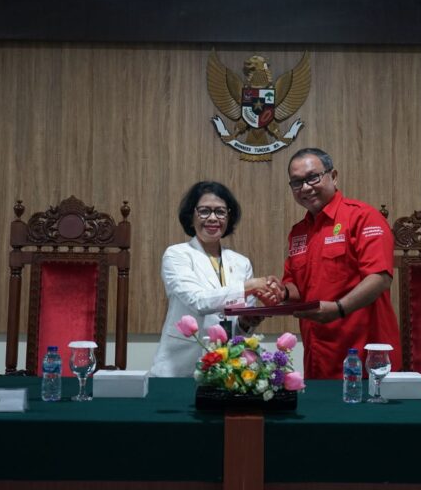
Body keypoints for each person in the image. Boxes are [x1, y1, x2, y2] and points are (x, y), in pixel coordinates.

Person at [278, 148, 402, 379]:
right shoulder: (298, 232)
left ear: (333, 176)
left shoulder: (363, 217)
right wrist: (280, 292)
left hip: (365, 357)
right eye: (297, 182)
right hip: (318, 356)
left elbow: (380, 277)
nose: (305, 187)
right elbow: (297, 288)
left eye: (313, 177)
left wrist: (339, 309)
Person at [151, 181, 277, 377]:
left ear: (229, 217)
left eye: (220, 212)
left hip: (227, 369)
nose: (212, 218)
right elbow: (198, 301)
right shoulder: (176, 255)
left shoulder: (241, 262)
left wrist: (246, 322)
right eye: (204, 211)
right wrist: (250, 286)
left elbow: (240, 332)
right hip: (180, 367)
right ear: (191, 216)